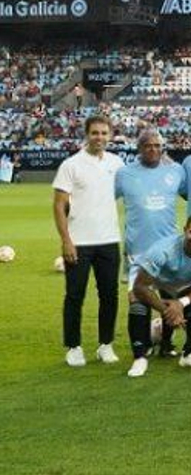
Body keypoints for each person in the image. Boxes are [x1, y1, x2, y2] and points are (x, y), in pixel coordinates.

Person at [52, 114, 124, 368]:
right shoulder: (71, 165)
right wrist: (66, 241)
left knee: (110, 295)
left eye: (104, 133)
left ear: (110, 135)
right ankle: (73, 347)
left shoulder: (117, 163)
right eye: (95, 133)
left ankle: (106, 345)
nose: (100, 138)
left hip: (109, 240)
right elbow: (59, 206)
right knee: (74, 295)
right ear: (86, 134)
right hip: (79, 242)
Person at [127, 214, 191, 376]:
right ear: (185, 230)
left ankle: (189, 354)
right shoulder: (162, 250)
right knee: (136, 301)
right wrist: (168, 311)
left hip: (184, 283)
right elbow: (140, 287)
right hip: (154, 280)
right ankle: (139, 358)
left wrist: (181, 303)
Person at [114, 128, 184, 298]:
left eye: (157, 146)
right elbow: (106, 201)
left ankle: (163, 325)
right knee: (138, 303)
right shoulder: (124, 173)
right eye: (148, 146)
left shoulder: (176, 170)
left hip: (169, 248)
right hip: (138, 249)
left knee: (170, 300)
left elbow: (190, 194)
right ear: (139, 148)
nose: (153, 149)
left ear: (162, 148)